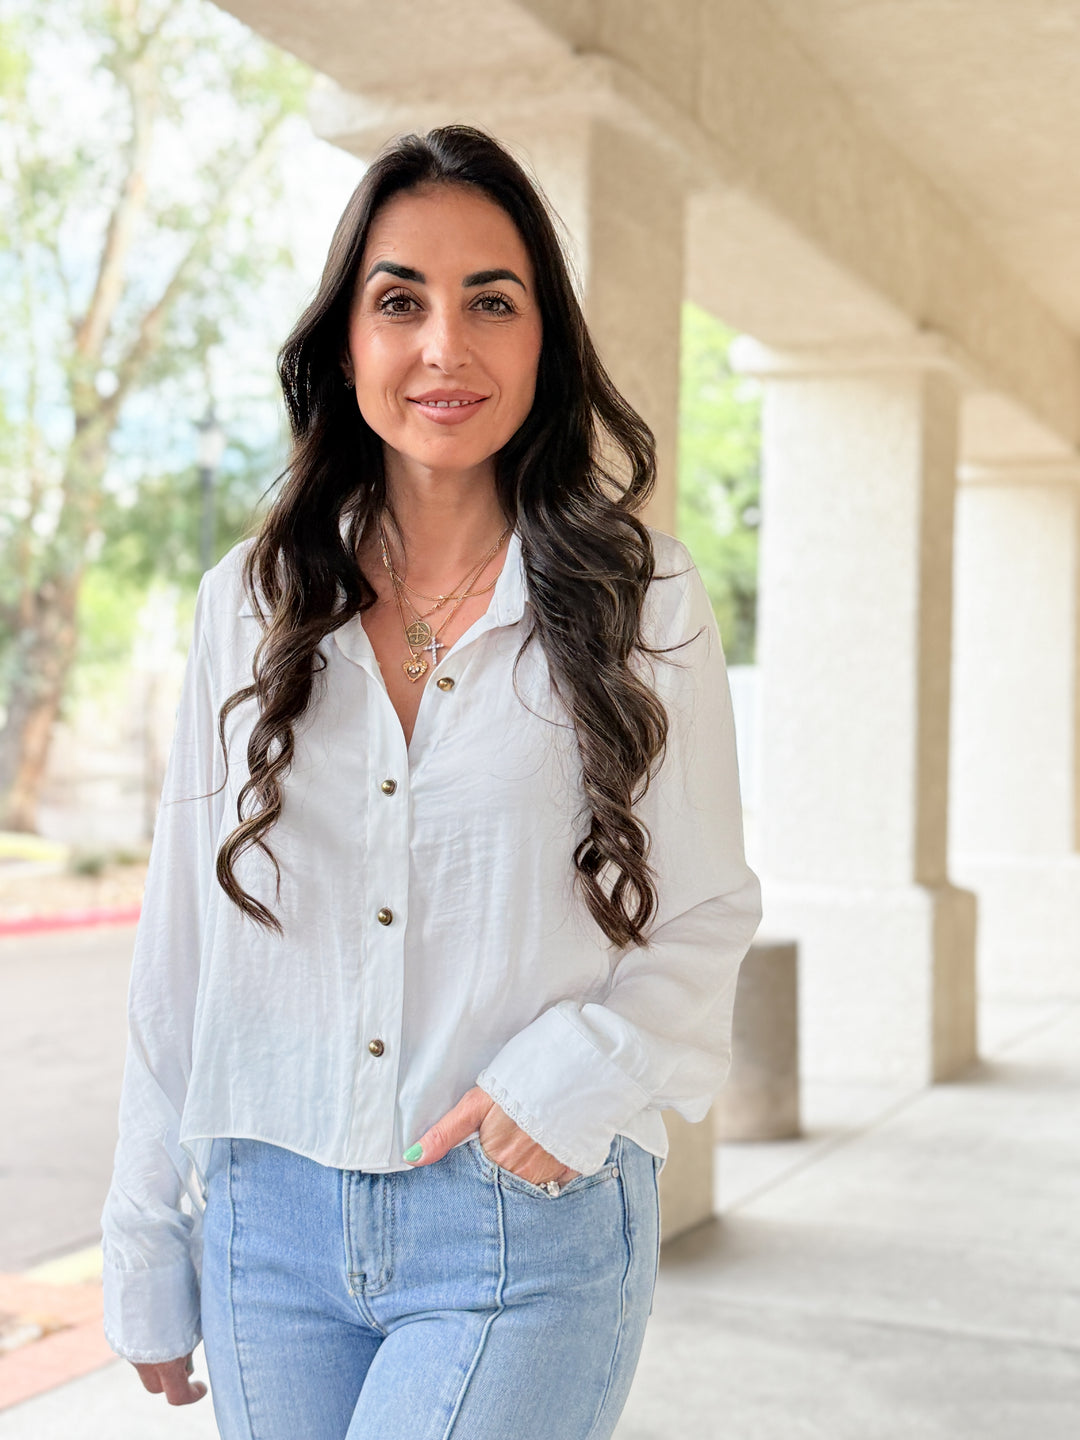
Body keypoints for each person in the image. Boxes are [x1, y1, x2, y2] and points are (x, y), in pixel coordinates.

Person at [99, 122, 762, 1440]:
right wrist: (142, 1230)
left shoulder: (647, 601)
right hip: (264, 1229)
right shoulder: (249, 598)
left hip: (524, 1221)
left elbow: (704, 913)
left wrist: (578, 1072)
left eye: (491, 303)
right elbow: (184, 938)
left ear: (544, 344)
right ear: (346, 343)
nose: (444, 347)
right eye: (400, 300)